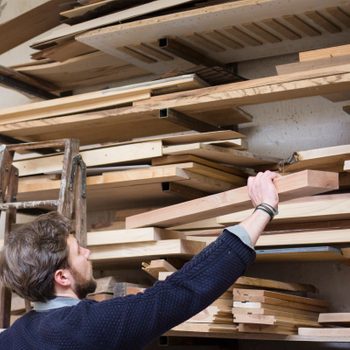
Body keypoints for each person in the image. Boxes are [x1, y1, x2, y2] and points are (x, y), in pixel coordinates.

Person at [0, 170, 279, 349]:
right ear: (62, 277)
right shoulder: (90, 326)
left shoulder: (14, 336)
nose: (88, 253)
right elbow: (184, 290)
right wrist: (264, 208)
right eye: (78, 251)